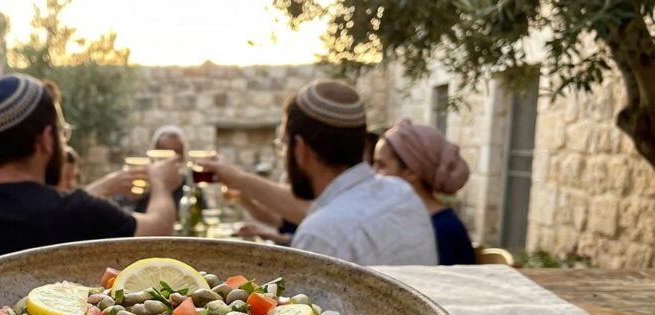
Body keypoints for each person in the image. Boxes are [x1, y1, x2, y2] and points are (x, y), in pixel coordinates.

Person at [0, 74, 179, 265]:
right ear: (46, 139)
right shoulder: (77, 213)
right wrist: (162, 184)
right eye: (62, 133)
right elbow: (159, 231)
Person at [199, 79, 437, 265]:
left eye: (283, 144)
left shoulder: (322, 235)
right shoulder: (401, 192)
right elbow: (315, 210)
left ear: (300, 149)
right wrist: (238, 180)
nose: (283, 153)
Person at [375, 119, 476, 265]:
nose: (374, 173)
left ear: (411, 172)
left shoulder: (443, 230)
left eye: (381, 165)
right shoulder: (401, 219)